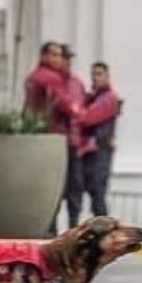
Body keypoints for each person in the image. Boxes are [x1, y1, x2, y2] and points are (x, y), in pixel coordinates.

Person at [78, 62, 121, 220]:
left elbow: (87, 118)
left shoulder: (109, 98)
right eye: (93, 74)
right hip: (90, 151)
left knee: (97, 193)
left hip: (100, 150)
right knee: (89, 191)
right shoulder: (94, 97)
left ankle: (103, 229)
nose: (95, 78)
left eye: (99, 74)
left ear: (107, 76)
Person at [59, 44, 88, 229]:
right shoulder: (53, 82)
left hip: (75, 144)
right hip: (57, 143)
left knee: (75, 187)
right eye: (64, 58)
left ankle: (74, 226)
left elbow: (84, 110)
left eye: (69, 58)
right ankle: (50, 231)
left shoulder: (77, 83)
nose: (67, 62)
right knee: (55, 189)